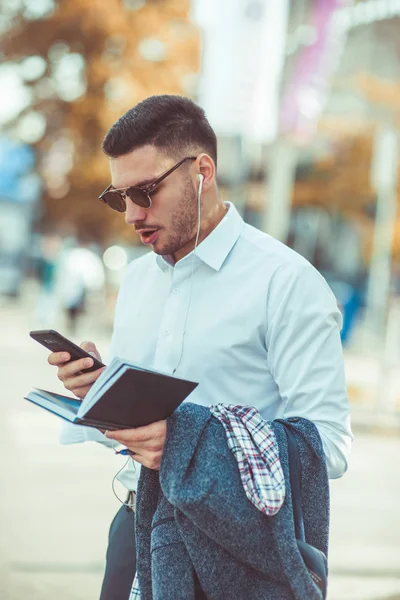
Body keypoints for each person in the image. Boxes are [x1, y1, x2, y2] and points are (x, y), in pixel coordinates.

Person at [48, 95, 353, 599]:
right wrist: (99, 395)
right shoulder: (140, 280)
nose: (131, 215)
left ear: (202, 171)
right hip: (134, 526)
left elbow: (328, 447)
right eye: (118, 197)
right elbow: (142, 431)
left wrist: (191, 445)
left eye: (145, 192)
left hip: (235, 551)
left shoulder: (287, 282)